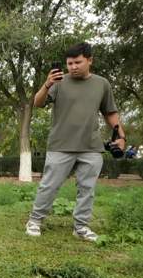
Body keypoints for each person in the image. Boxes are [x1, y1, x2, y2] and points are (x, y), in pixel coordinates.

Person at [25, 42, 125, 242]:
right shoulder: (59, 82)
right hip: (61, 145)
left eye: (78, 62)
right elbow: (37, 103)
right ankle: (35, 221)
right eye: (69, 63)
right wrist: (47, 84)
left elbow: (110, 112)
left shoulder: (102, 84)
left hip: (91, 147)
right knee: (49, 185)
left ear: (89, 60)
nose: (73, 67)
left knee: (87, 189)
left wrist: (121, 137)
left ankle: (81, 227)